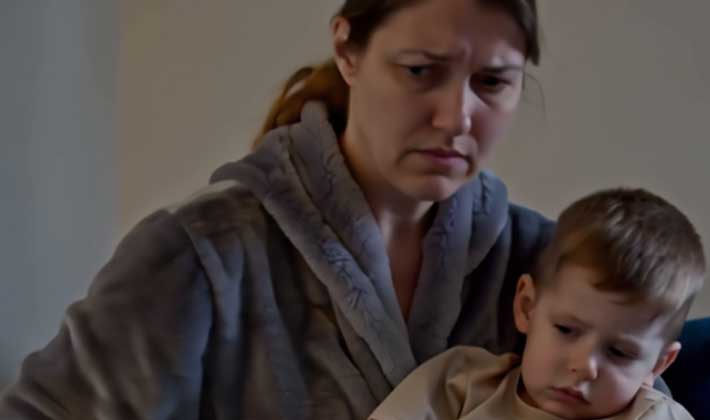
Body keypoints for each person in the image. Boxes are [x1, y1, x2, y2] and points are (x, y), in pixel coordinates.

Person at [0, 0, 553, 419]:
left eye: (492, 82)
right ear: (347, 51)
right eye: (420, 70)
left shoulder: (545, 267)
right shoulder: (200, 255)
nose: (456, 118)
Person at [369, 188, 705, 420]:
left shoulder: (654, 416)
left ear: (658, 364)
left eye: (619, 352)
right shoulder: (460, 384)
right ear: (527, 306)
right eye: (566, 329)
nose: (584, 365)